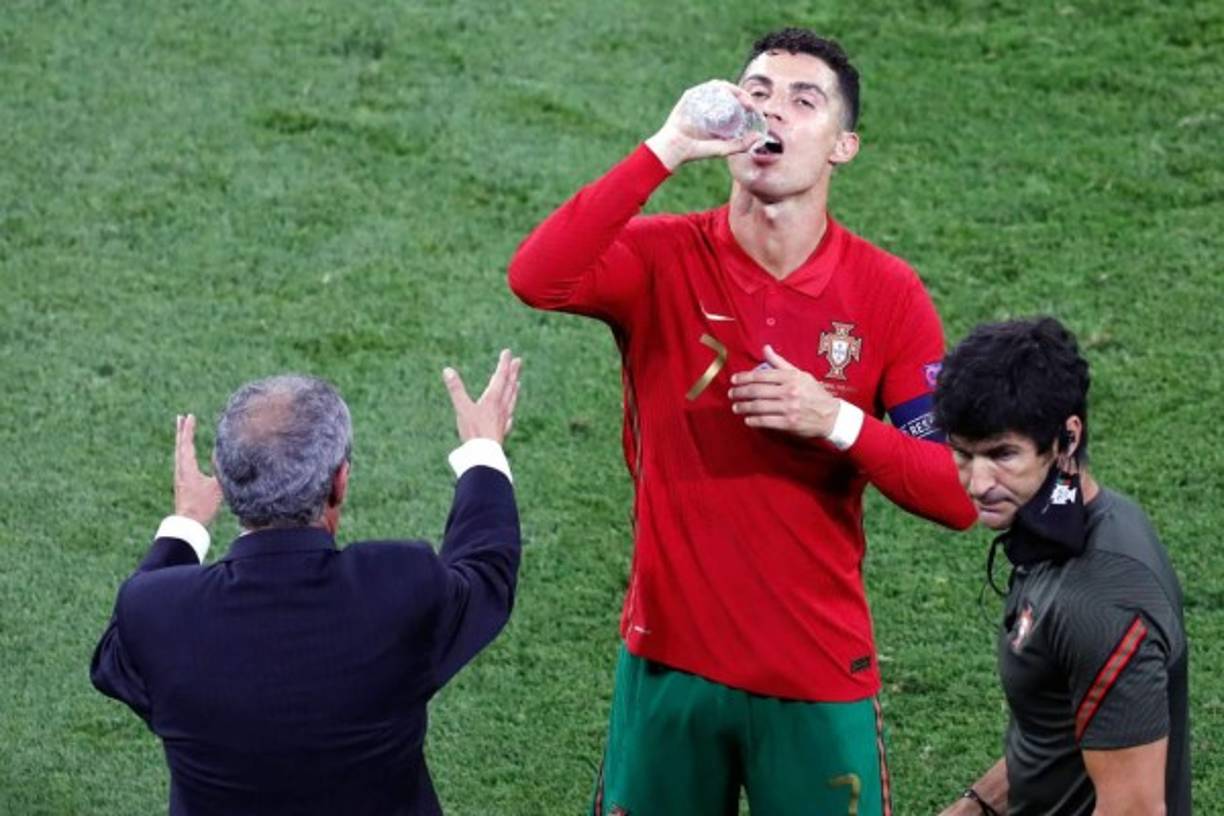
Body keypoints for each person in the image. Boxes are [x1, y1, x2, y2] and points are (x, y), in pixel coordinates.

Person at [508, 27, 976, 816]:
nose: (773, 114)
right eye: (755, 93)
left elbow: (958, 495)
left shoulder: (888, 295)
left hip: (816, 677)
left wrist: (836, 421)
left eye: (803, 101)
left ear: (843, 147)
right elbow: (536, 276)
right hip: (666, 667)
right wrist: (664, 147)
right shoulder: (659, 260)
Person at [91, 351, 523, 816]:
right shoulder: (402, 584)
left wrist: (186, 524)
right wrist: (483, 449)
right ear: (340, 480)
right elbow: (485, 572)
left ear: (223, 475)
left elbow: (114, 661)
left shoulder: (156, 613)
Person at [933, 317, 1189, 816]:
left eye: (1001, 454)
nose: (977, 482)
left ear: (1067, 437)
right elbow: (1054, 735)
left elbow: (1134, 810)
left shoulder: (1102, 597)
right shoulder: (1060, 530)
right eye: (962, 454)